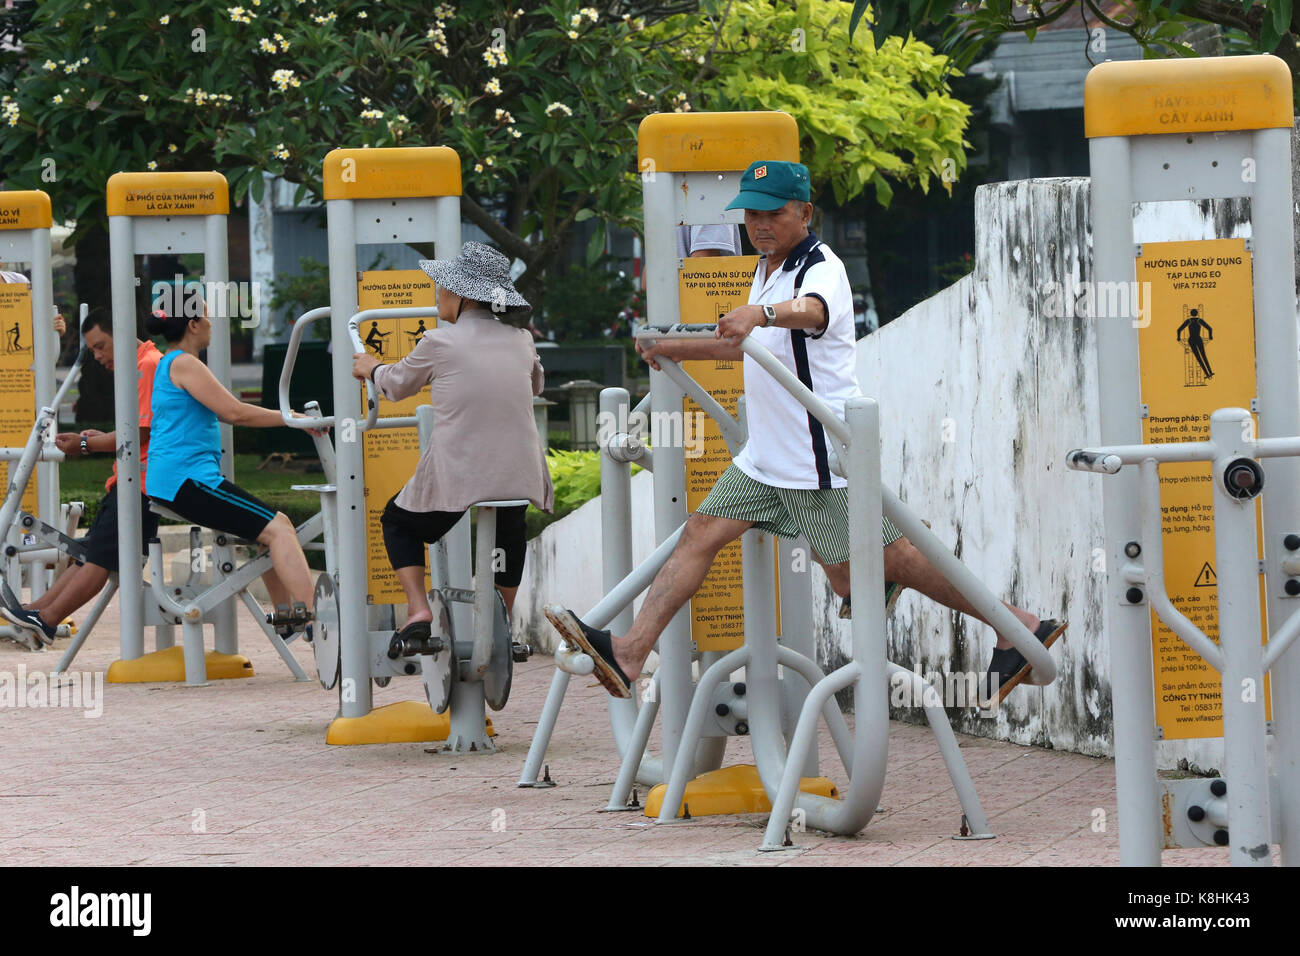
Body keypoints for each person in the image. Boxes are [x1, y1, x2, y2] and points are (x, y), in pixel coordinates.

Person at [547, 160, 1065, 708]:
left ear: (805, 212)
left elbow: (810, 313)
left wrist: (762, 312)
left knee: (900, 561)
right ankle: (628, 655)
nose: (759, 224)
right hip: (765, 460)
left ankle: (1019, 626)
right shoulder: (767, 268)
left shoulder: (822, 269)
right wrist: (667, 348)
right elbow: (739, 341)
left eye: (773, 213)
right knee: (699, 534)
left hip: (817, 466)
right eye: (751, 213)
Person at [351, 241, 553, 648]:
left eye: (441, 286)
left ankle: (418, 611)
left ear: (461, 295)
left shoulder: (438, 342)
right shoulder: (521, 340)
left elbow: (394, 385)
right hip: (519, 469)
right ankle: (502, 626)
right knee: (508, 527)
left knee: (397, 522)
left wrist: (370, 366)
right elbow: (535, 384)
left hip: (460, 469)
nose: (436, 294)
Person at [144, 309, 317, 631]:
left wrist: (290, 416)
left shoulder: (174, 362)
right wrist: (293, 419)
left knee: (269, 532)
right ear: (193, 325)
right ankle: (316, 618)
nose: (212, 323)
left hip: (180, 478)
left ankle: (286, 617)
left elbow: (225, 413)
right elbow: (236, 413)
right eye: (207, 317)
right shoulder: (184, 363)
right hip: (187, 479)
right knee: (279, 528)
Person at [0, 308, 103, 646]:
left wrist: (52, 336)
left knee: (95, 551)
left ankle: (37, 615)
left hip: (19, 419)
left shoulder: (16, 290)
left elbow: (34, 361)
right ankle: (38, 615)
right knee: (98, 550)